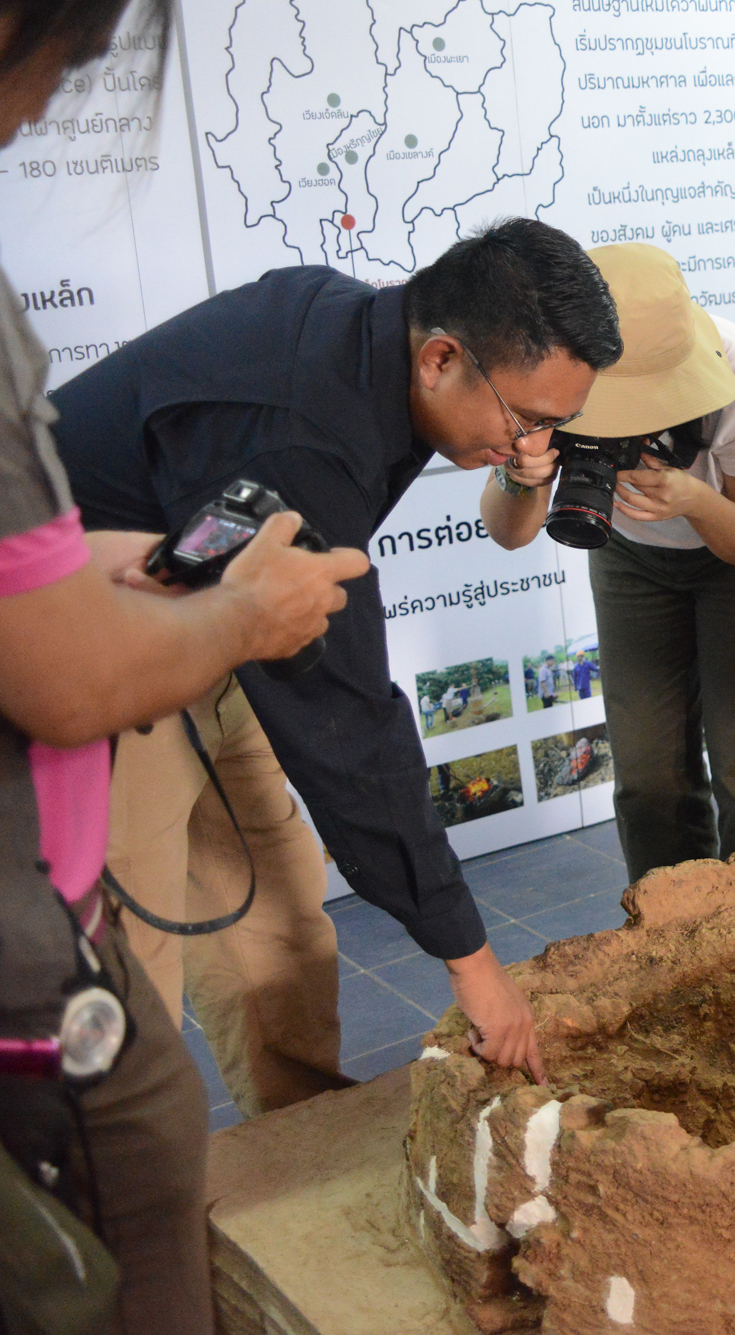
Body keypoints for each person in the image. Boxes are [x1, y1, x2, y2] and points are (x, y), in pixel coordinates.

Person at [49, 219, 623, 1112]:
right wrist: (474, 964)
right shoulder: (301, 436)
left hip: (211, 626)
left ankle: (297, 1141)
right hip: (99, 658)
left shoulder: (368, 336)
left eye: (557, 424)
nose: (529, 445)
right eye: (527, 419)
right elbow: (350, 727)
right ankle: (116, 1182)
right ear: (439, 359)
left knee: (279, 924)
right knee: (127, 977)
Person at [0, 8, 371, 1330]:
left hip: (136, 648)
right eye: (67, 63)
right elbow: (63, 678)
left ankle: (300, 1140)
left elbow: (32, 565)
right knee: (124, 1182)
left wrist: (130, 568)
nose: (49, 109)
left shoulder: (332, 343)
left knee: (272, 902)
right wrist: (243, 617)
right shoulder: (317, 411)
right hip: (45, 887)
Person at [483, 244, 735, 882]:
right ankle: (671, 931)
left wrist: (693, 499)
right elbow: (510, 534)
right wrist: (520, 475)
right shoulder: (546, 372)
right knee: (647, 777)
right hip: (631, 554)